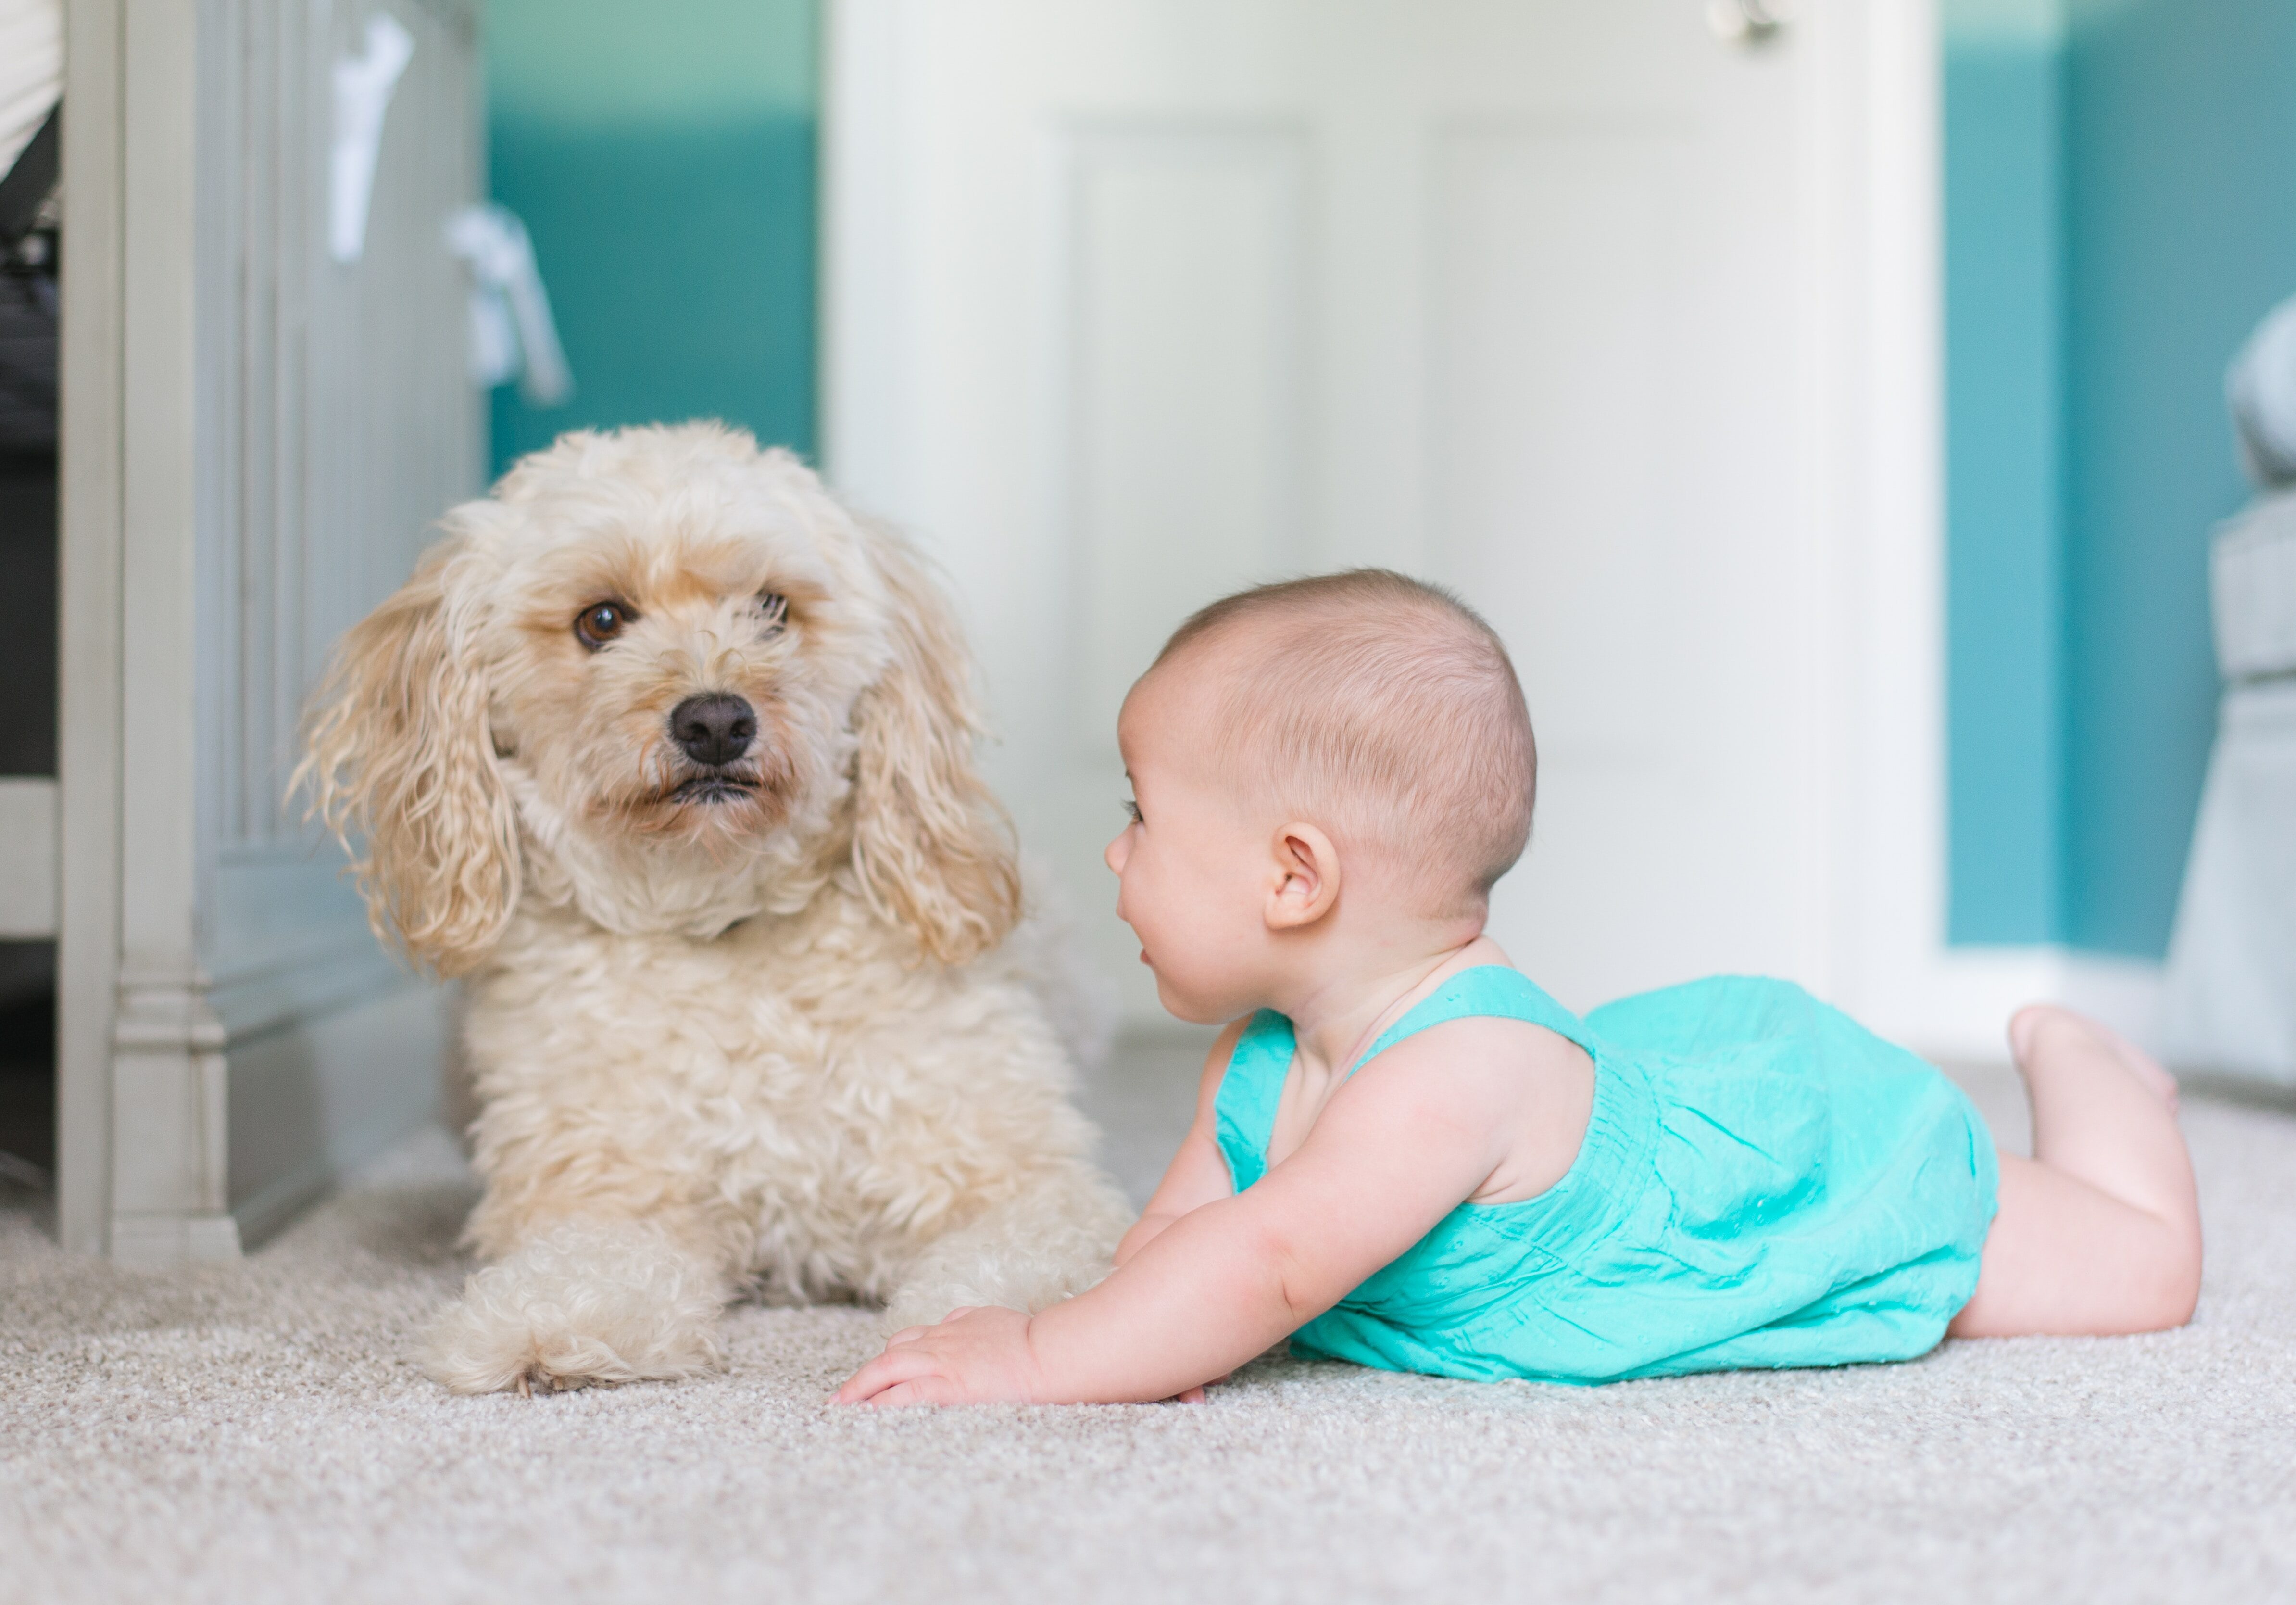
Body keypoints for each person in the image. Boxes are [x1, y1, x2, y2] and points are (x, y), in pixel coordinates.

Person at [835, 570, 2203, 1406]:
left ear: (1295, 877)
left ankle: (2087, 1064)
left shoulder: (1449, 1077)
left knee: (2143, 1271)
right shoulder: (1259, 1057)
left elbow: (1267, 1261)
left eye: (1145, 820)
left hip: (1786, 1167)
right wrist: (1131, 1333)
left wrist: (1038, 1356)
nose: (1116, 853)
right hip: (1631, 1088)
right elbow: (1188, 1241)